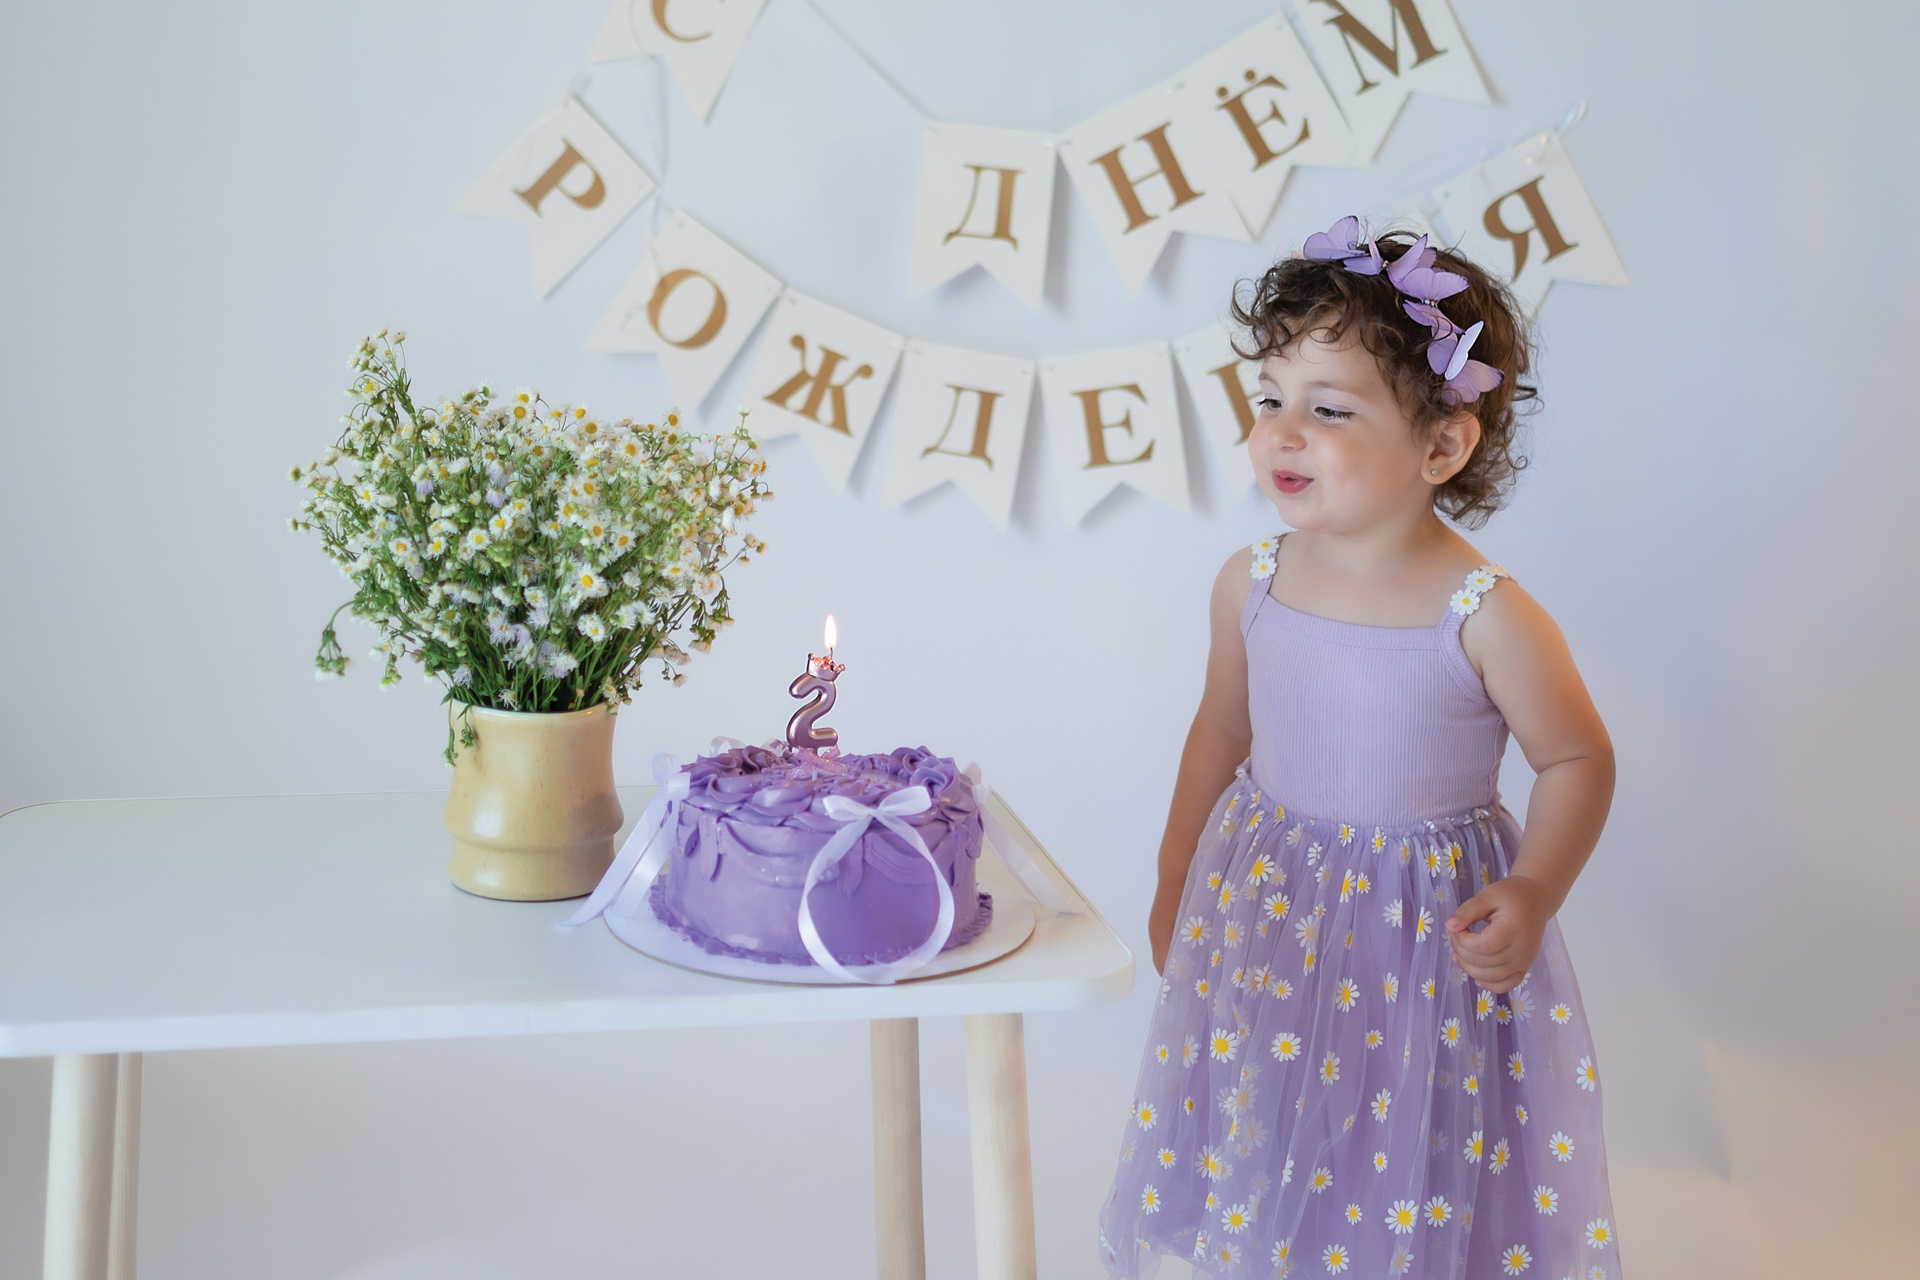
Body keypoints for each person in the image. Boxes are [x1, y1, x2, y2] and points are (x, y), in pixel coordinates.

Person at [1099, 217, 1621, 1279]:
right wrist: (1175, 873)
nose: (1282, 433)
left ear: (1441, 447)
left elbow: (1577, 759)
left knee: (1405, 1156)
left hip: (1418, 947)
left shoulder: (1485, 615)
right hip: (1273, 914)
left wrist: (1532, 890)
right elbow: (1223, 729)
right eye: (1270, 399)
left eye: (1328, 409)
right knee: (1276, 1131)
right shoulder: (1252, 582)